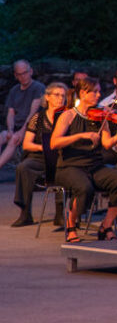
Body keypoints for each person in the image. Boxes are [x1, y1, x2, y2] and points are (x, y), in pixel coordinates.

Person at [51, 78, 117, 242]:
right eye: (94, 92)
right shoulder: (68, 115)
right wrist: (81, 135)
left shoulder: (100, 116)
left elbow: (107, 144)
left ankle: (106, 225)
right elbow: (54, 143)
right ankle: (71, 225)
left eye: (99, 91)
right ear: (82, 93)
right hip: (70, 167)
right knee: (84, 187)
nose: (99, 95)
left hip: (94, 166)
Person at [11, 82, 68, 227]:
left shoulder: (67, 117)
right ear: (47, 97)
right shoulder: (38, 118)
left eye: (63, 96)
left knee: (63, 167)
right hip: (40, 157)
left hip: (60, 156)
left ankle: (60, 214)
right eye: (56, 95)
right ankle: (25, 214)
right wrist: (44, 147)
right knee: (23, 167)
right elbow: (26, 144)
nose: (60, 98)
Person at [0, 60, 46, 170]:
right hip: (16, 126)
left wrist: (22, 131)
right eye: (19, 74)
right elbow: (11, 113)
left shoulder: (38, 88)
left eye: (25, 73)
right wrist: (10, 129)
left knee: (14, 138)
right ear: (16, 75)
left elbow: (33, 113)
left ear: (31, 72)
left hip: (32, 127)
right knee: (2, 135)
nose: (23, 76)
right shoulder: (14, 90)